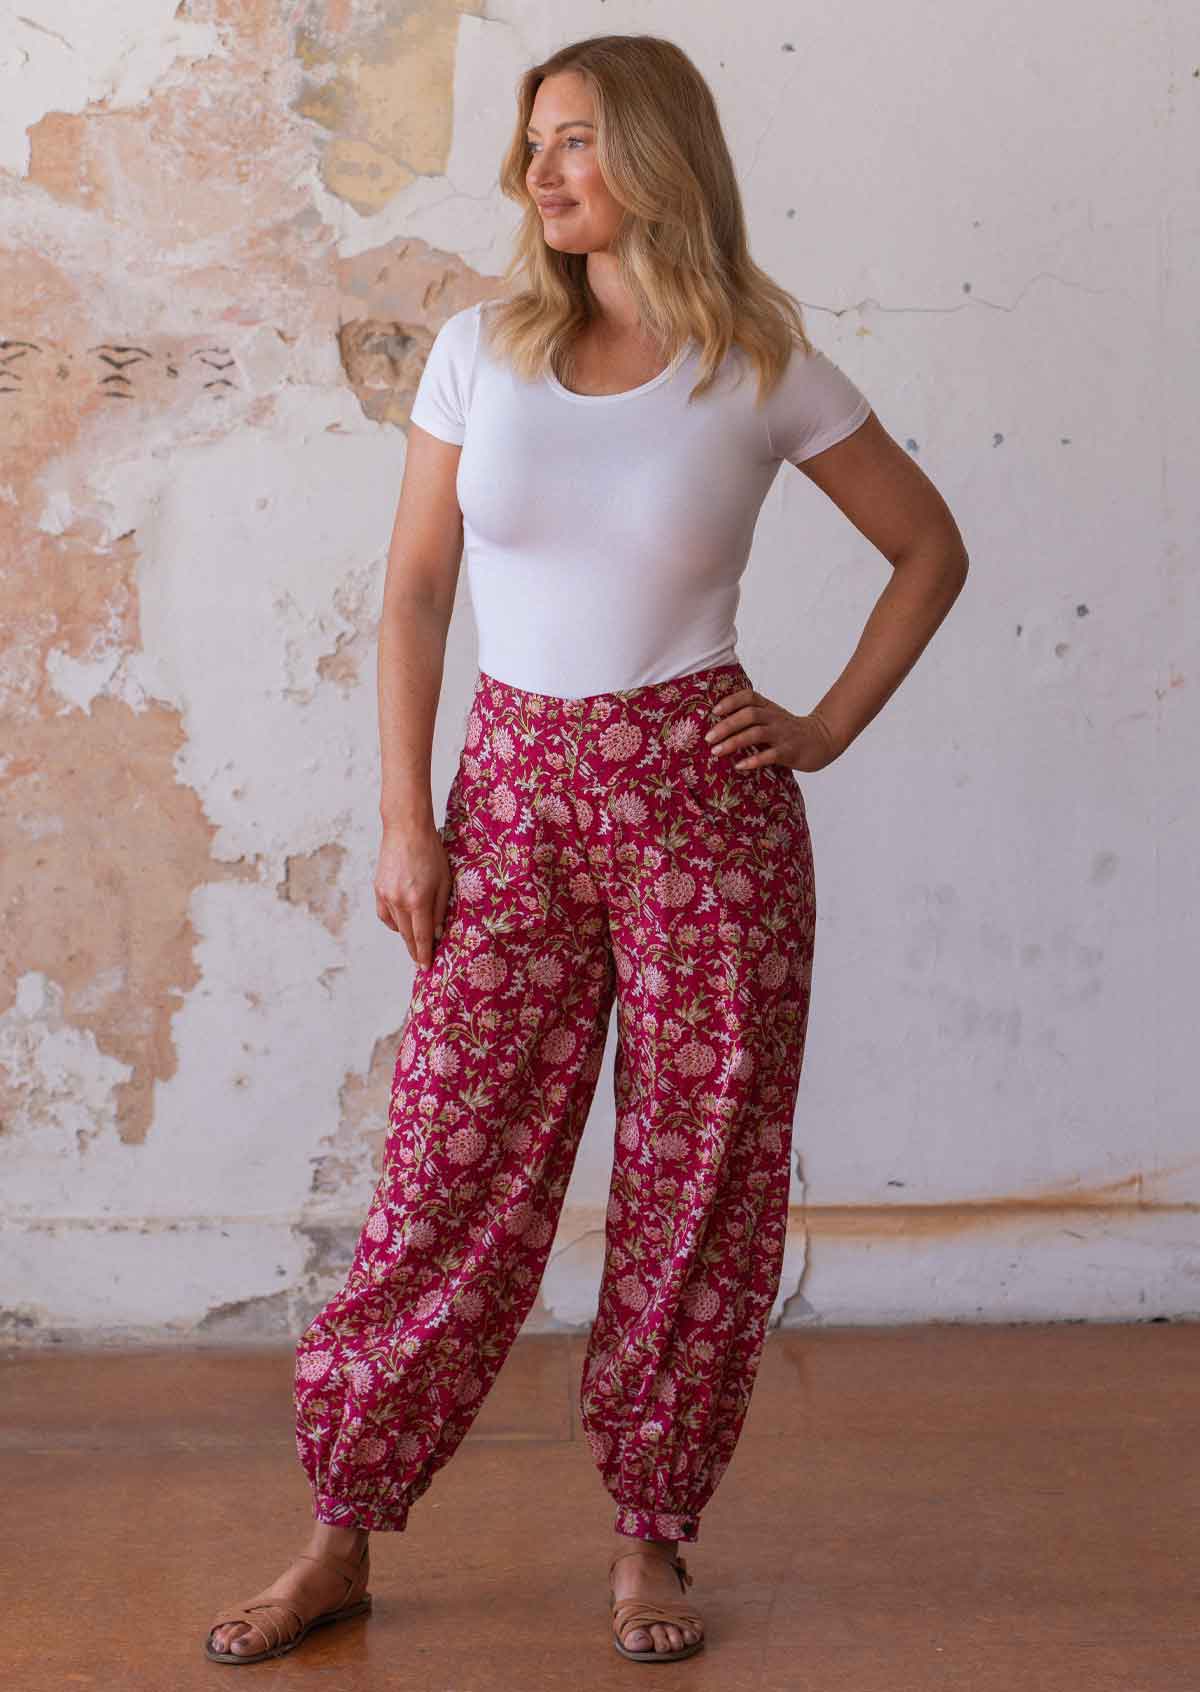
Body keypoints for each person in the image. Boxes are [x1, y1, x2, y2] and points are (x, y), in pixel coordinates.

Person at [204, 31, 968, 1669]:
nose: (541, 175)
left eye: (574, 143)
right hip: (516, 798)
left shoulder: (761, 362)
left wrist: (822, 726)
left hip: (708, 807)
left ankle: (651, 1540)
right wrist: (412, 821)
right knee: (447, 1171)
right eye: (533, 146)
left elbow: (928, 548)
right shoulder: (482, 350)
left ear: (659, 157)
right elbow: (415, 597)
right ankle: (338, 1531)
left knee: (698, 1181)